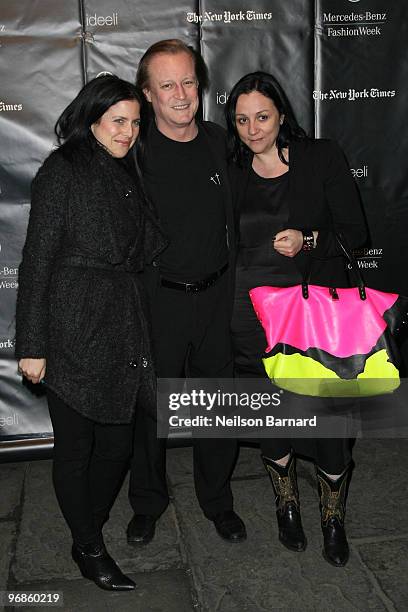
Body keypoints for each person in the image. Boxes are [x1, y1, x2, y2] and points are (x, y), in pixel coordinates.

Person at [15, 75, 165, 590]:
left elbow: (144, 242)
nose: (128, 132)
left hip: (120, 321)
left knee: (118, 444)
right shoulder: (63, 171)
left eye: (135, 123)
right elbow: (36, 261)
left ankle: (87, 521)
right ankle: (88, 544)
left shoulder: (126, 169)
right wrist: (32, 345)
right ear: (92, 118)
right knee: (76, 447)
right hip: (72, 321)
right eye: (118, 121)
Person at [225, 71, 366, 567]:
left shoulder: (321, 157)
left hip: (314, 314)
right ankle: (287, 505)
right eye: (242, 120)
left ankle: (333, 516)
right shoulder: (232, 169)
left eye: (262, 117)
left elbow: (356, 232)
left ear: (282, 114)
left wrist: (308, 240)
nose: (253, 129)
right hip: (252, 314)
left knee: (328, 422)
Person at [127, 39, 246, 545]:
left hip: (217, 296)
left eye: (189, 81)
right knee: (152, 411)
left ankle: (217, 501)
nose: (181, 94)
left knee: (217, 407)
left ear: (201, 86)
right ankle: (148, 504)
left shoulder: (222, 141)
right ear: (148, 94)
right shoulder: (133, 151)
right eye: (168, 84)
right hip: (159, 302)